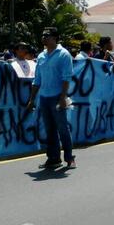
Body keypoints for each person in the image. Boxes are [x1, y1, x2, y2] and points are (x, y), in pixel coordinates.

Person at [26, 27, 75, 169]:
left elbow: (66, 78)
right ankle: (53, 158)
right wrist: (31, 99)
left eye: (46, 35)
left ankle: (69, 158)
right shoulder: (41, 56)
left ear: (54, 38)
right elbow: (37, 79)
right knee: (49, 130)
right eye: (42, 35)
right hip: (44, 98)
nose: (43, 38)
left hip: (57, 97)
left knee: (62, 128)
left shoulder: (63, 54)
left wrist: (63, 97)